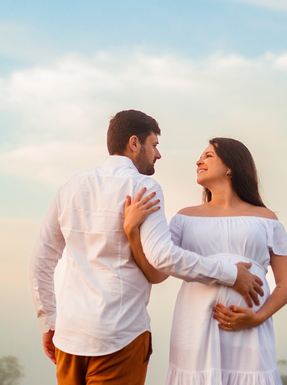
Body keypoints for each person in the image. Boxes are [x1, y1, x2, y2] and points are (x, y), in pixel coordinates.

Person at [31, 111, 265, 385]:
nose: (158, 154)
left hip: (70, 335)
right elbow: (163, 257)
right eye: (154, 145)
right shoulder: (143, 186)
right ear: (134, 143)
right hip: (120, 335)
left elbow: (41, 261)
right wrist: (231, 274)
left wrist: (48, 323)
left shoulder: (70, 187)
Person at [123, 138, 287, 385]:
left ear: (230, 167)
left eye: (208, 156)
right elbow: (156, 273)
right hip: (195, 328)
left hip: (248, 330)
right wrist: (131, 231)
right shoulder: (184, 218)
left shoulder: (266, 218)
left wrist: (258, 318)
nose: (199, 161)